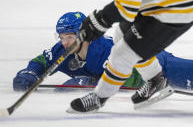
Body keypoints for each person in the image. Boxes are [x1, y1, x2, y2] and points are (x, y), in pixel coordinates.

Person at [13, 12, 193, 93]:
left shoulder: (105, 50)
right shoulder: (62, 50)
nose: (64, 42)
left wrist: (91, 82)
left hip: (157, 64)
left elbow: (127, 77)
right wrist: (29, 73)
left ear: (83, 35)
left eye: (70, 37)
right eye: (61, 37)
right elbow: (41, 62)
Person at [69, 0, 193, 112]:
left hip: (174, 10)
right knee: (120, 35)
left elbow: (127, 7)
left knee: (122, 54)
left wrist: (98, 21)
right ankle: (156, 79)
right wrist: (97, 21)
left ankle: (99, 97)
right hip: (156, 4)